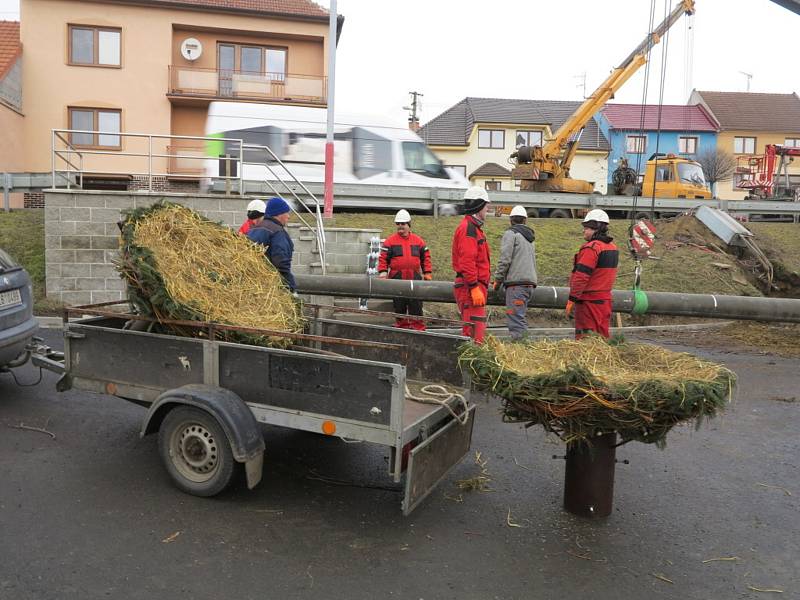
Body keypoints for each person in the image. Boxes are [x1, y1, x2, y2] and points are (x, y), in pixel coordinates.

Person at [565, 209, 619, 339]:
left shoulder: (591, 248)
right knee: (602, 339)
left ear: (596, 228)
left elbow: (581, 277)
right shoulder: (613, 247)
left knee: (586, 340)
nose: (584, 230)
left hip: (589, 302)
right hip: (605, 301)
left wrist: (572, 300)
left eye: (587, 228)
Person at [378, 209, 432, 330]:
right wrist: (383, 272)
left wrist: (427, 272)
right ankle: (401, 325)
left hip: (415, 277)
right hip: (397, 277)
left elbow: (426, 257)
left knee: (416, 303)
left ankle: (418, 325)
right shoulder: (390, 241)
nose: (400, 226)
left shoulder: (418, 241)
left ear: (409, 224)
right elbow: (383, 258)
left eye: (403, 224)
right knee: (399, 303)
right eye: (398, 224)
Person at [452, 186, 491, 343]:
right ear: (479, 206)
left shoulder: (473, 228)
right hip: (470, 288)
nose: (488, 209)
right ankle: (470, 366)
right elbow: (467, 261)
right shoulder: (469, 229)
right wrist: (474, 287)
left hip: (473, 286)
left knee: (476, 331)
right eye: (486, 206)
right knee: (473, 334)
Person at [492, 205, 537, 339]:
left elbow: (505, 259)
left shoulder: (511, 234)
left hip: (516, 285)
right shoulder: (530, 238)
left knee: (515, 320)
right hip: (529, 284)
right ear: (525, 220)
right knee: (519, 317)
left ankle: (521, 350)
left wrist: (498, 280)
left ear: (511, 220)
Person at [247, 197, 296, 292]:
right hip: (272, 287)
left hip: (254, 284)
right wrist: (290, 287)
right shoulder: (277, 232)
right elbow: (281, 263)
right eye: (287, 213)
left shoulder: (253, 229)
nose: (288, 216)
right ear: (279, 214)